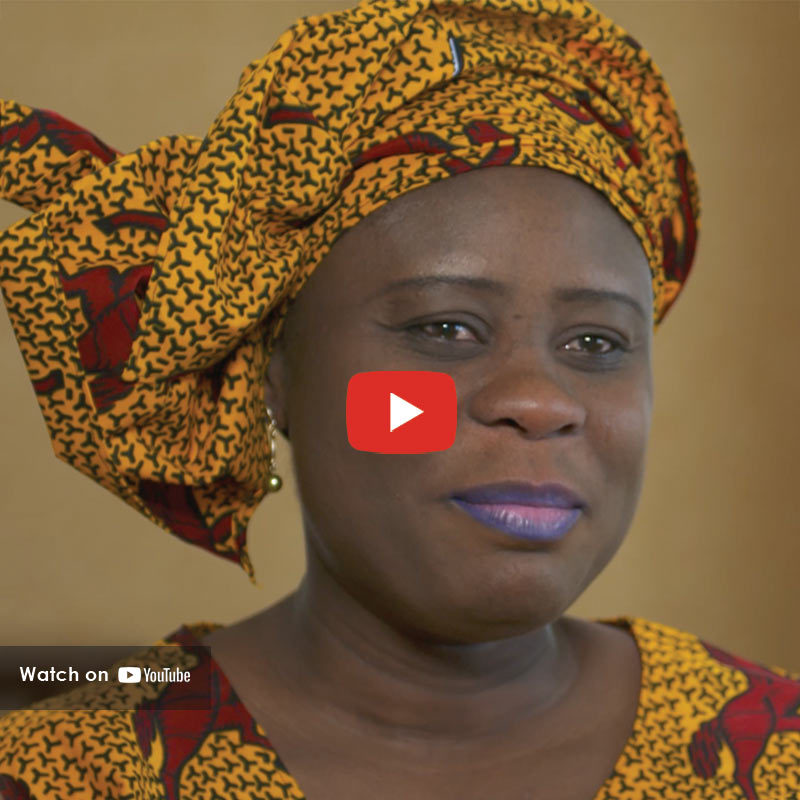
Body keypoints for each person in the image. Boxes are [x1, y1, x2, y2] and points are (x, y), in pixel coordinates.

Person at [0, 0, 798, 798]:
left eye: (596, 344)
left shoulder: (775, 755)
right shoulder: (65, 774)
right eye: (445, 327)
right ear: (272, 374)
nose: (539, 402)